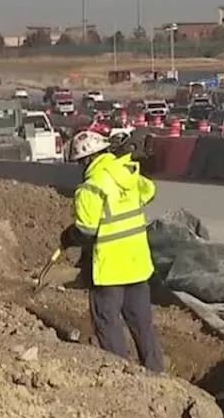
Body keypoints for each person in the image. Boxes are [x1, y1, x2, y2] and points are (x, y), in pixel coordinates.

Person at [63, 129, 165, 372]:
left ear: (87, 159)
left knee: (107, 323)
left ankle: (121, 376)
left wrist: (67, 237)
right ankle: (156, 373)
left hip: (109, 269)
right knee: (141, 323)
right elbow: (149, 192)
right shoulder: (128, 174)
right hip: (137, 264)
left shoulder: (90, 187)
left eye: (80, 162)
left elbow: (86, 231)